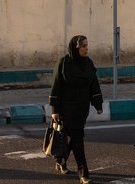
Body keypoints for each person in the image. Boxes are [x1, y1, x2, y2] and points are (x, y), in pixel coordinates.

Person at [48, 35, 103, 184]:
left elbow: (94, 85)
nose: (86, 48)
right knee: (77, 138)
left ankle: (61, 160)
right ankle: (84, 173)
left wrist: (98, 104)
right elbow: (56, 86)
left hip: (81, 108)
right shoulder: (64, 63)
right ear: (75, 48)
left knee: (74, 137)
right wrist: (54, 110)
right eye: (83, 46)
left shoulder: (88, 64)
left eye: (86, 45)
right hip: (67, 108)